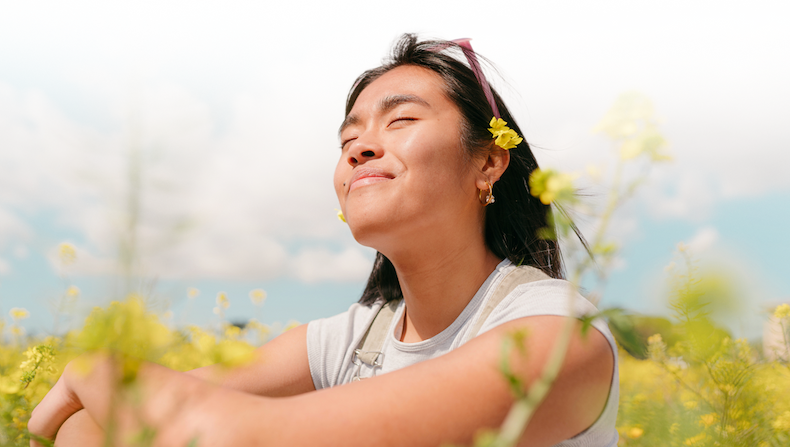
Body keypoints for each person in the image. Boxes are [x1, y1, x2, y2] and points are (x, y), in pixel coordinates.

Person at [29, 30, 618, 447]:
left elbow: (228, 436)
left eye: (402, 120)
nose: (359, 147)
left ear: (489, 163)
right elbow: (92, 427)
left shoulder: (561, 339)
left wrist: (100, 371)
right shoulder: (350, 339)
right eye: (347, 139)